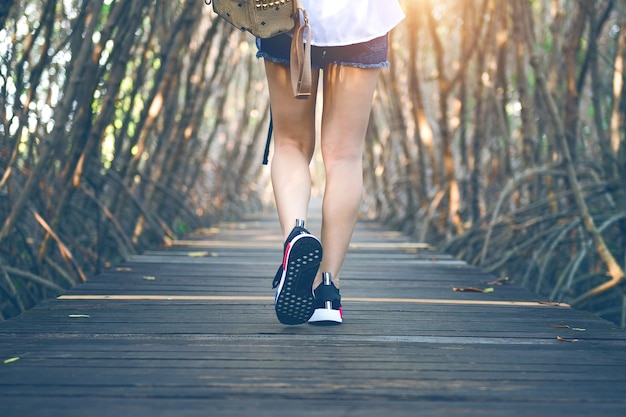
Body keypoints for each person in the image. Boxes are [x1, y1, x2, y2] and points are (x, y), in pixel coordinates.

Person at [257, 0, 405, 325]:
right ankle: (327, 291)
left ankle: (294, 239)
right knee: (345, 156)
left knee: (290, 143)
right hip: (362, 18)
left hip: (285, 15)